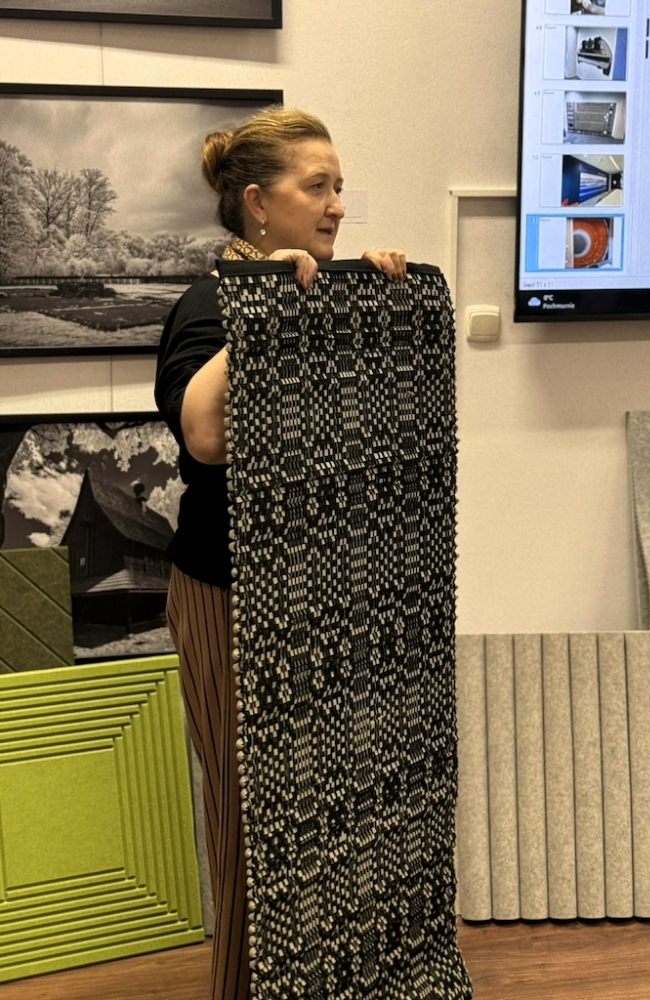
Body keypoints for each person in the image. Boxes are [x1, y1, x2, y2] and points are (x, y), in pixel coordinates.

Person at [154, 106, 406, 1000]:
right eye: (317, 186)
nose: (337, 204)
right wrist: (267, 310)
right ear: (258, 203)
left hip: (325, 593)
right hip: (230, 594)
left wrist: (378, 302)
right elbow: (204, 435)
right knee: (251, 814)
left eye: (340, 186)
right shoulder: (207, 305)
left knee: (333, 812)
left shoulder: (328, 291)